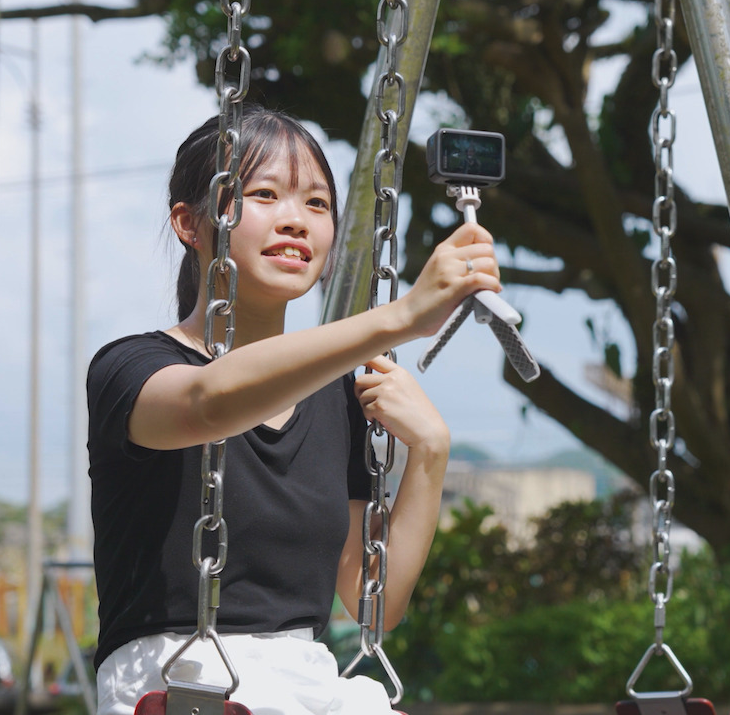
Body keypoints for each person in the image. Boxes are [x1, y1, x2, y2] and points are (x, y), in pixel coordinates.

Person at [86, 105, 501, 715]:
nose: (295, 222)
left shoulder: (340, 401)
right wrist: (403, 317)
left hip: (308, 680)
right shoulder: (131, 369)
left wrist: (430, 452)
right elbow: (209, 405)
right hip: (179, 681)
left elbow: (372, 602)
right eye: (264, 194)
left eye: (316, 204)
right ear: (188, 223)